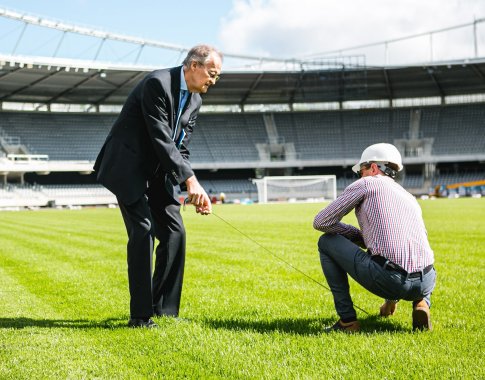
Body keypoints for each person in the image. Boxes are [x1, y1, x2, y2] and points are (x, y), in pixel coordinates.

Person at [94, 45, 223, 328]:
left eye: (216, 76)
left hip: (158, 173)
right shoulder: (157, 83)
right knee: (143, 231)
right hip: (128, 168)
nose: (213, 81)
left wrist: (190, 184)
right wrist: (190, 181)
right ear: (193, 66)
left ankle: (164, 310)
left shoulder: (195, 101)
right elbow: (160, 137)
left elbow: (181, 148)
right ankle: (140, 316)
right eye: (211, 74)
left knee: (175, 232)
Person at [313, 143, 436, 333]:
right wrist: (390, 302)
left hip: (391, 279)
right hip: (426, 281)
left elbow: (321, 221)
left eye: (361, 171)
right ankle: (421, 304)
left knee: (326, 241)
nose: (360, 176)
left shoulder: (366, 183)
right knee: (407, 259)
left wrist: (356, 236)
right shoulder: (409, 196)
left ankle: (347, 321)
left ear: (373, 167)